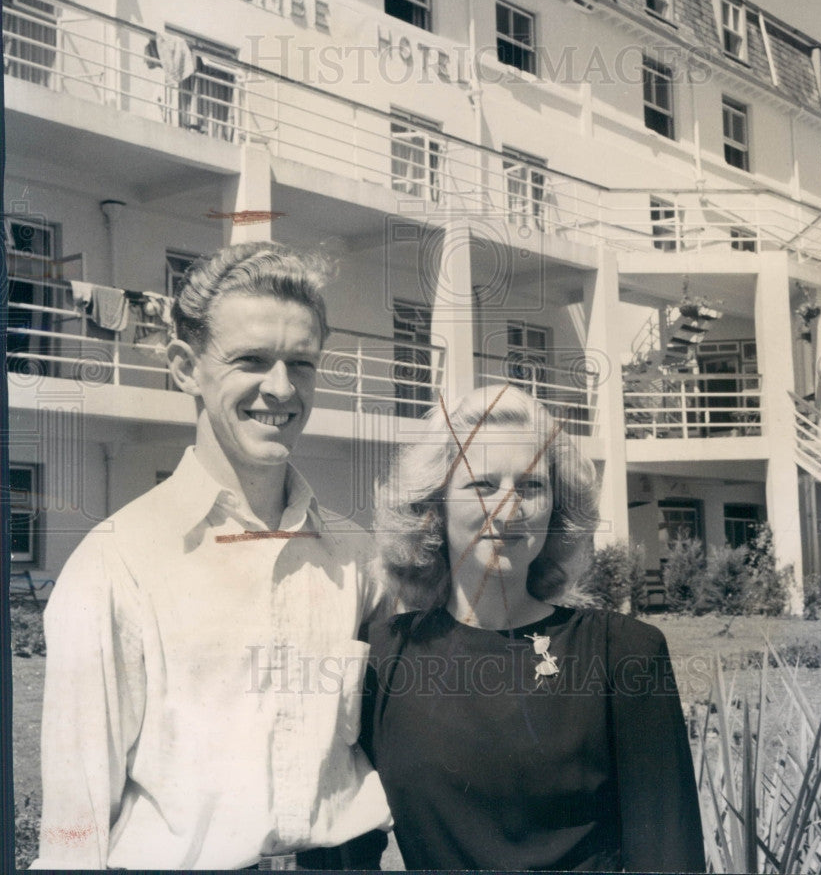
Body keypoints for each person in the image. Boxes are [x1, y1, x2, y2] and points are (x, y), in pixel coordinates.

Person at [33, 241, 390, 870]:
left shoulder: (355, 556)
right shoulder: (117, 563)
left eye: (301, 364)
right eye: (251, 360)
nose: (280, 390)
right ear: (184, 366)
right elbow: (75, 820)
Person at [362, 385, 704, 872]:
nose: (509, 506)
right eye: (482, 484)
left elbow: (671, 856)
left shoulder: (623, 653)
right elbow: (342, 846)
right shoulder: (381, 656)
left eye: (532, 486)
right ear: (433, 507)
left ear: (557, 510)